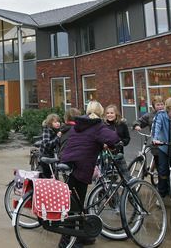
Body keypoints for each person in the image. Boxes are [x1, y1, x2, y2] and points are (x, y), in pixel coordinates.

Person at [60, 101, 120, 247]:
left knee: (78, 205)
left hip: (69, 163)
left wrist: (100, 143)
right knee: (74, 208)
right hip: (82, 167)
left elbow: (85, 140)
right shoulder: (97, 125)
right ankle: (67, 243)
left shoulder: (79, 124)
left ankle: (83, 236)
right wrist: (113, 144)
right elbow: (113, 138)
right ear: (100, 112)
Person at [104, 104, 131, 179]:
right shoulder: (103, 125)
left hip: (118, 154)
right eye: (107, 113)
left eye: (112, 113)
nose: (109, 115)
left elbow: (127, 138)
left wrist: (122, 142)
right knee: (109, 176)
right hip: (107, 156)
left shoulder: (122, 124)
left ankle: (130, 190)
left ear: (116, 114)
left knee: (126, 176)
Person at [39, 113, 62, 178]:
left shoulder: (57, 130)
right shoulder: (47, 130)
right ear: (50, 123)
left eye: (58, 122)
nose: (58, 123)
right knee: (48, 176)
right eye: (55, 122)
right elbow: (47, 144)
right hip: (45, 155)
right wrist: (57, 137)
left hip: (53, 154)